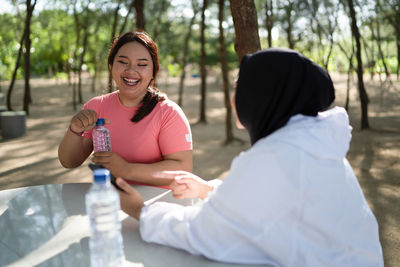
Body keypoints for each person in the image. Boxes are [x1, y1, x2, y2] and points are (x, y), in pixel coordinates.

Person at [115, 48, 384, 266]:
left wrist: (141, 210)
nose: (234, 98)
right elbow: (274, 204)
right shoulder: (312, 146)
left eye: (240, 87)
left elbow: (204, 233)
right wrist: (209, 189)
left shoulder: (278, 156)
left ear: (263, 96)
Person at [58, 31, 193, 187]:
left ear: (153, 73)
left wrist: (127, 170)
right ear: (111, 66)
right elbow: (69, 162)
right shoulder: (96, 107)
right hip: (110, 202)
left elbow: (183, 170)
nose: (130, 70)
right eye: (123, 62)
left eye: (142, 65)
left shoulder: (168, 113)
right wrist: (74, 130)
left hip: (156, 207)